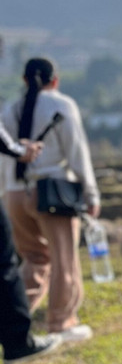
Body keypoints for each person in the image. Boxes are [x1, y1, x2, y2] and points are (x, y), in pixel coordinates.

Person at [1, 57, 100, 344]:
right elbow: (77, 152)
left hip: (14, 194)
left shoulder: (9, 109)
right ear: (55, 80)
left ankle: (12, 317)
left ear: (23, 80)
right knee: (64, 259)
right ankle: (61, 322)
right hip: (51, 192)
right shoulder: (61, 105)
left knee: (33, 259)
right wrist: (91, 193)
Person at [0, 124, 65, 364]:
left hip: (12, 191)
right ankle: (18, 342)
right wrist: (19, 150)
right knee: (4, 264)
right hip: (44, 186)